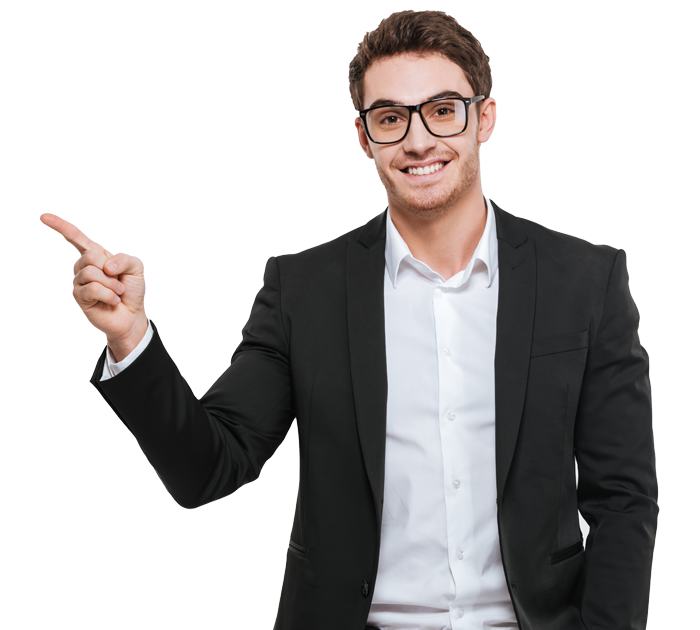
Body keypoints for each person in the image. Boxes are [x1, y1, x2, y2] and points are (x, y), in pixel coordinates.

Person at [40, 10, 658, 630]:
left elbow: (624, 500)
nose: (418, 140)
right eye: (390, 118)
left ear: (485, 118)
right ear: (365, 137)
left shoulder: (586, 280)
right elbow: (208, 468)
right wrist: (131, 339)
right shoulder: (303, 291)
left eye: (443, 110)